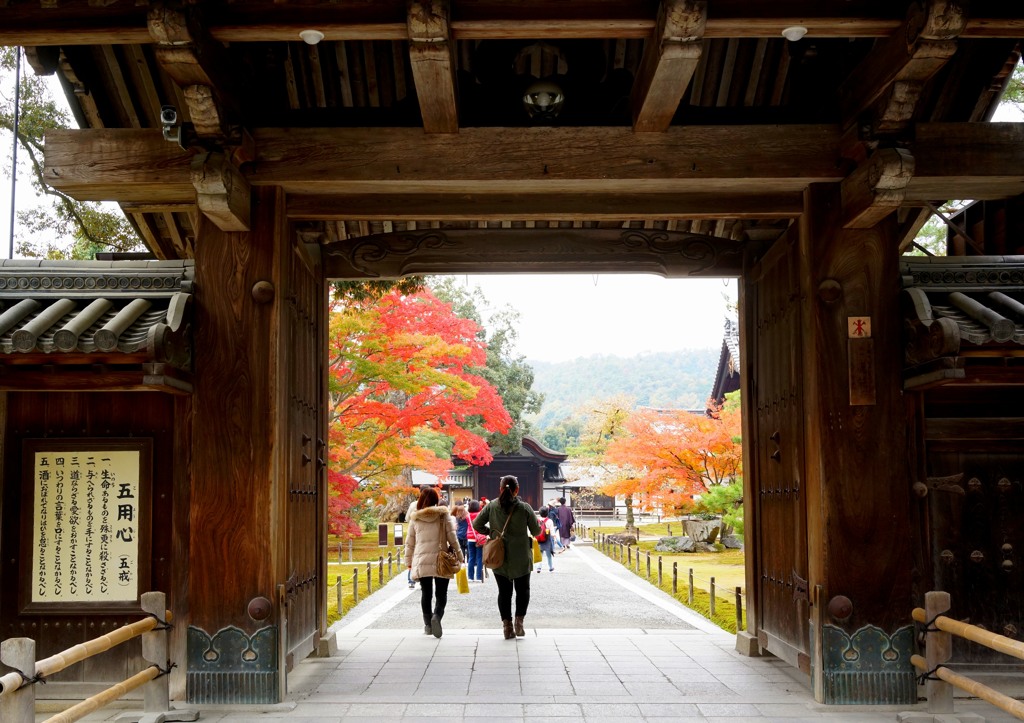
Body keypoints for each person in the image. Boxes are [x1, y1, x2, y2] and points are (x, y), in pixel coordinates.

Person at [472, 475, 540, 639]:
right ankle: (519, 622)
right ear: (517, 490)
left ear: (500, 489)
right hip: (521, 556)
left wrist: (492, 533)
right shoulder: (524, 508)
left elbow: (476, 524)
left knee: (504, 592)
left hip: (498, 556)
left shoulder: (492, 506)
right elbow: (536, 531)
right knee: (523, 590)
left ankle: (507, 627)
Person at [405, 486, 464, 638]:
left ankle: (428, 625)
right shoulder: (443, 517)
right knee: (441, 593)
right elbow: (453, 538)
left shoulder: (415, 518)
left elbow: (409, 542)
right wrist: (460, 555)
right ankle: (436, 617)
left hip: (422, 559)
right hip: (441, 560)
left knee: (426, 593)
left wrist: (408, 561)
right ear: (436, 500)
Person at [466, 499, 485, 583]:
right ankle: (478, 577)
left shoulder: (468, 516)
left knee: (471, 557)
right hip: (479, 538)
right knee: (479, 558)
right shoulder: (480, 515)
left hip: (470, 537)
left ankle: (470, 577)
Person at [535, 506, 555, 573]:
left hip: (538, 540)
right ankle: (550, 567)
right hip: (547, 540)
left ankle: (538, 568)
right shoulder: (549, 521)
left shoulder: (537, 520)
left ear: (540, 513)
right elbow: (552, 532)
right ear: (547, 513)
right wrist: (554, 537)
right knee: (548, 555)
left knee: (539, 554)